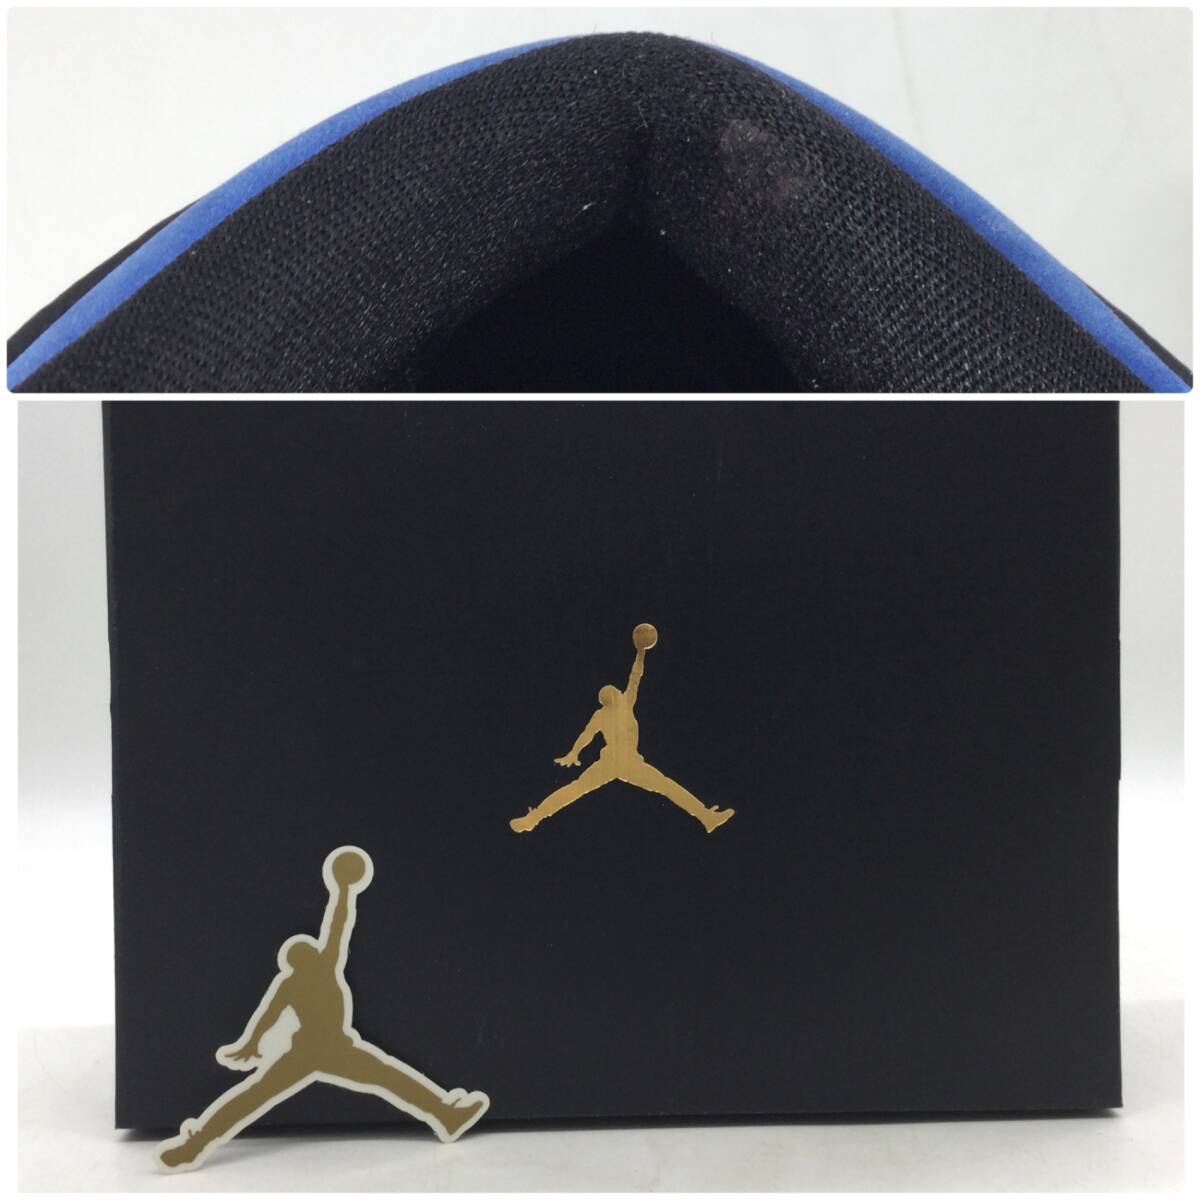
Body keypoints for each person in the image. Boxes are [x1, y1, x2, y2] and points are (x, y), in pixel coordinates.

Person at [156, 847, 489, 1171]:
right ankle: (445, 1113)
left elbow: (269, 1017)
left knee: (256, 1095)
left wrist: (251, 1044)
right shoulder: (320, 969)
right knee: (388, 1078)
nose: (314, 949)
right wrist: (343, 890)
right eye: (308, 950)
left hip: (318, 1050)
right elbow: (336, 928)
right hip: (325, 1049)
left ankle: (196, 1144)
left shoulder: (294, 981)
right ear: (303, 960)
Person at [510, 625, 734, 833]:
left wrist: (641, 652)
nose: (614, 692)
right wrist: (574, 752)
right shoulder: (610, 710)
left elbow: (635, 676)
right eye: (610, 692)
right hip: (616, 760)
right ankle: (533, 818)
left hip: (626, 761)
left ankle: (706, 816)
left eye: (612, 691)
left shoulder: (622, 704)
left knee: (581, 788)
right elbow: (587, 734)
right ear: (608, 698)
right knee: (660, 786)